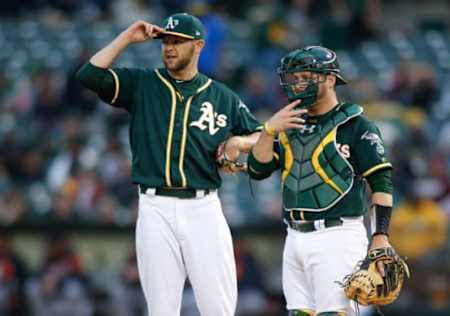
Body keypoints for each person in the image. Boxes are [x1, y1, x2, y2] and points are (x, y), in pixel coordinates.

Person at [76, 13, 262, 316]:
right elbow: (88, 75)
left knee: (219, 307)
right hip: (154, 208)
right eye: (165, 42)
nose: (169, 48)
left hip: (203, 207)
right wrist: (126, 37)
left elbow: (262, 136)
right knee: (161, 309)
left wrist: (238, 143)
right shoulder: (143, 83)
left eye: (178, 42)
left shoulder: (221, 96)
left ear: (199, 45)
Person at [248, 46, 397, 315]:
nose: (298, 83)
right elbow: (258, 168)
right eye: (294, 78)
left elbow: (382, 185)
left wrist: (380, 236)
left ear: (330, 79)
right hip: (294, 235)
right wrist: (269, 130)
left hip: (337, 235)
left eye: (307, 76)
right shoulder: (290, 123)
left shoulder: (357, 125)